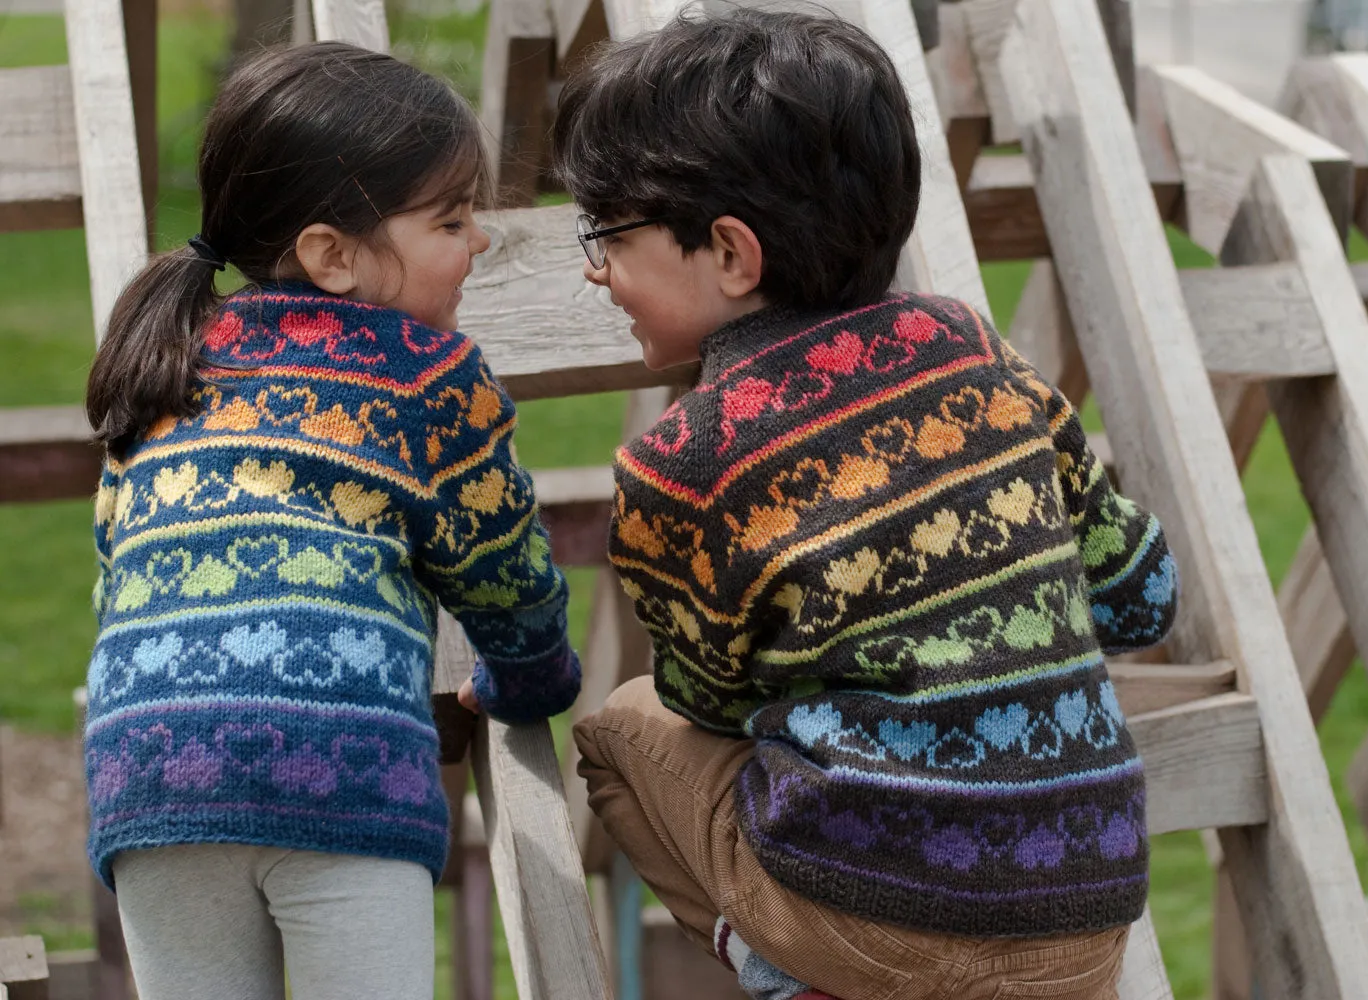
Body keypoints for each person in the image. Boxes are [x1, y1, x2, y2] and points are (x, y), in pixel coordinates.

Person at [557, 9, 1179, 1000]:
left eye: (609, 235)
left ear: (729, 251)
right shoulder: (974, 353)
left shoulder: (681, 465)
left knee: (617, 731)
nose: (596, 268)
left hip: (867, 928)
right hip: (1083, 926)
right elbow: (1143, 599)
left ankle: (778, 968)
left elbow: (706, 701)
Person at [81, 41, 579, 1000]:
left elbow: (120, 553)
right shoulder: (428, 376)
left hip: (150, 766)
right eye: (452, 219)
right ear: (331, 256)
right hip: (337, 768)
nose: (478, 241)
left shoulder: (167, 363)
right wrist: (529, 677)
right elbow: (502, 568)